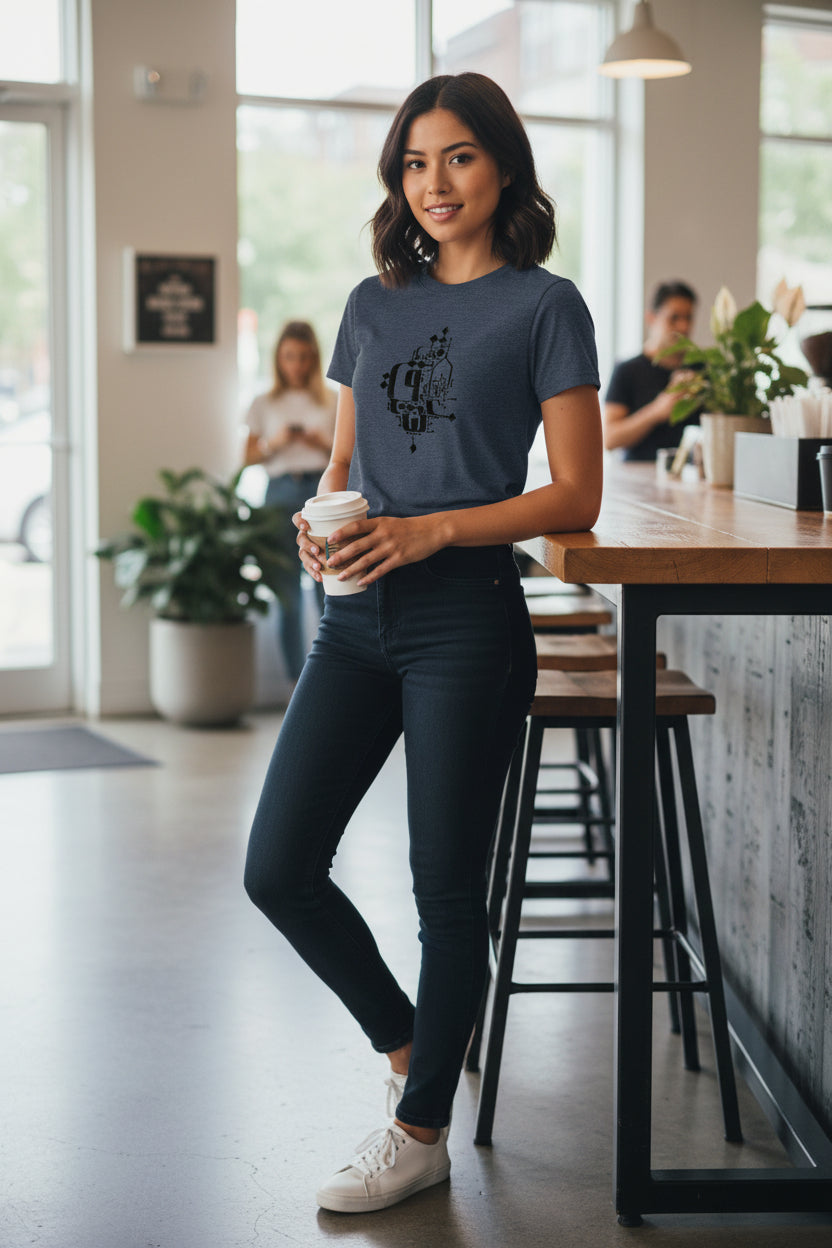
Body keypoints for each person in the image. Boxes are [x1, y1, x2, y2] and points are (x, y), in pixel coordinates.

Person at [243, 72, 603, 1216]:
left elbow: (578, 493)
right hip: (355, 620)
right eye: (413, 161)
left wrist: (438, 527)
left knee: (445, 890)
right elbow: (344, 469)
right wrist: (318, 530)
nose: (433, 183)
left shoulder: (547, 306)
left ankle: (420, 1131)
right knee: (278, 868)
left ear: (502, 166)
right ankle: (415, 1045)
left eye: (456, 157)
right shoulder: (372, 299)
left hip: (466, 623)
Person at [242, 321, 336, 680]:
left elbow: (349, 455)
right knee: (287, 599)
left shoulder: (333, 400)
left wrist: (319, 444)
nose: (295, 365)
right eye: (288, 357)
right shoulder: (264, 403)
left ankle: (328, 681)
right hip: (278, 496)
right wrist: (275, 444)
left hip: (320, 494)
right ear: (278, 359)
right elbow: (247, 457)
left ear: (313, 358)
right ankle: (298, 685)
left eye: (302, 357)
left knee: (326, 593)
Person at [603, 280, 698, 461]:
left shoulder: (701, 370)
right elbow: (609, 439)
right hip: (638, 480)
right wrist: (658, 410)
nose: (683, 327)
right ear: (651, 318)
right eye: (674, 318)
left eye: (689, 318)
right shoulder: (627, 370)